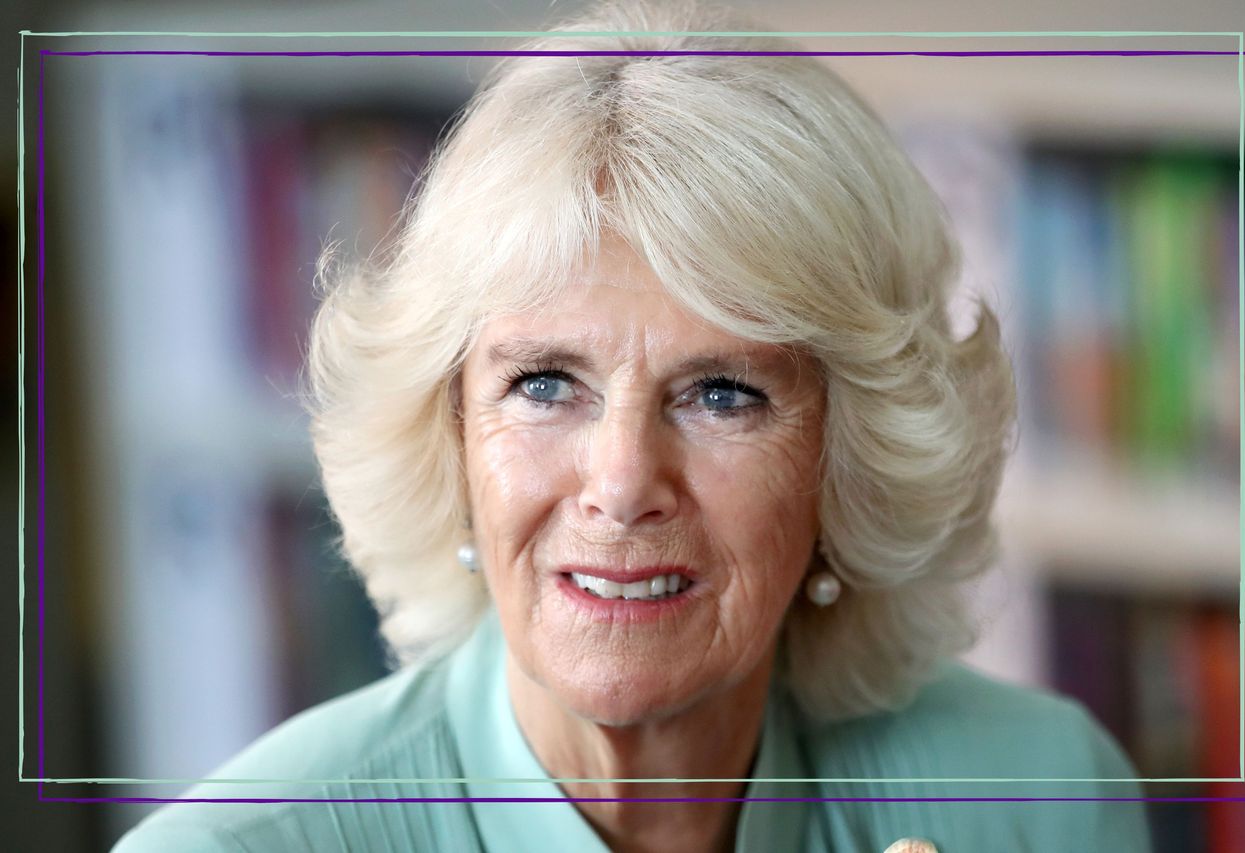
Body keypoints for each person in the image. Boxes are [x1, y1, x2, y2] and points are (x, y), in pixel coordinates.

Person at [114, 2, 1152, 851]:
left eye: (721, 394)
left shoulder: (1043, 797)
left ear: (851, 459)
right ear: (451, 437)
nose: (621, 481)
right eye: (543, 383)